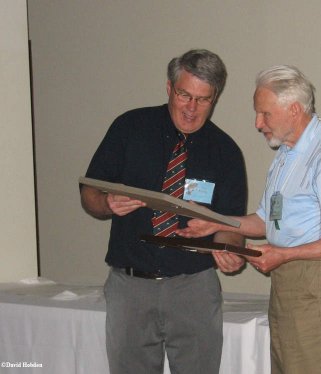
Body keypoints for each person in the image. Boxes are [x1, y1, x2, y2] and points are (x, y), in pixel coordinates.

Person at [176, 65, 321, 374]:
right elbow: (267, 221)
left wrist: (285, 254)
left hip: (316, 280)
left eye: (264, 114)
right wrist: (217, 223)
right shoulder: (287, 154)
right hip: (290, 280)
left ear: (293, 110)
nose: (257, 123)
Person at [80, 49, 247, 374]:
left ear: (215, 99)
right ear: (169, 88)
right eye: (185, 95)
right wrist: (106, 203)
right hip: (130, 287)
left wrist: (229, 249)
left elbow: (231, 225)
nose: (192, 108)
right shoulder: (130, 127)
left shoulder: (225, 151)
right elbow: (89, 192)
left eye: (203, 99)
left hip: (193, 287)